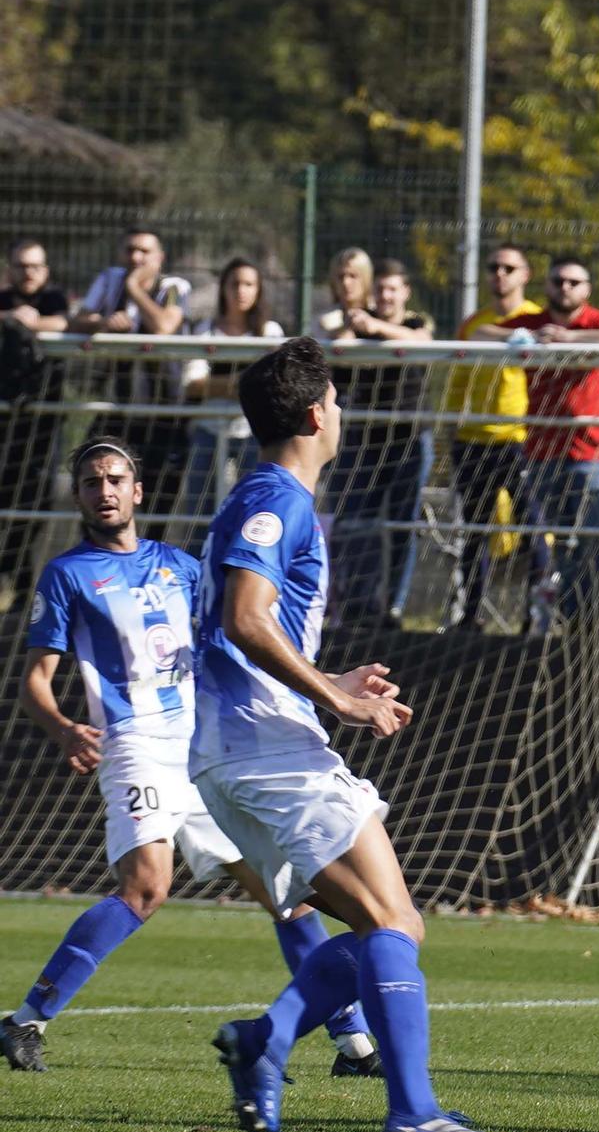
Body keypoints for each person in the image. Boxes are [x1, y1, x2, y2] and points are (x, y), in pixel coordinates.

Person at [196, 338, 522, 1132]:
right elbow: (243, 614)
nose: (340, 414)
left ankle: (267, 1039)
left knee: (395, 923)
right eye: (335, 402)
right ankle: (412, 1112)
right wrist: (330, 695)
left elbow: (248, 626)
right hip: (263, 745)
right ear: (315, 413)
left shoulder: (266, 494)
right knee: (388, 922)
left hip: (249, 745)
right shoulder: (280, 498)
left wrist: (327, 678)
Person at [1, 437, 377, 1079]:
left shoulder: (178, 565)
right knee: (147, 886)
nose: (105, 491)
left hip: (205, 746)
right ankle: (25, 1021)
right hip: (135, 745)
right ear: (81, 495)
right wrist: (66, 728)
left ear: (138, 490)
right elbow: (36, 679)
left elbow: (243, 643)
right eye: (91, 482)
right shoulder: (68, 575)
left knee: (290, 895)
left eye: (116, 478)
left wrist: (330, 682)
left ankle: (355, 1048)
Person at [476, 254, 599, 631]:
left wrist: (573, 339)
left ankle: (589, 623)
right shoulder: (534, 323)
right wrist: (529, 339)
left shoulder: (596, 322)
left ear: (587, 289)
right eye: (558, 281)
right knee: (556, 540)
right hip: (544, 450)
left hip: (593, 452)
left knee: (590, 540)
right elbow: (481, 333)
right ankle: (558, 618)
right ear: (545, 285)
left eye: (574, 282)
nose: (565, 288)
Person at [322, 257, 436, 628]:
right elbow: (336, 356)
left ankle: (394, 605)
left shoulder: (415, 322)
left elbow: (423, 342)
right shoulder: (359, 322)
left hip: (409, 437)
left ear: (405, 292)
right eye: (381, 289)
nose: (386, 296)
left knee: (402, 523)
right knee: (358, 520)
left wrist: (377, 327)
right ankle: (358, 602)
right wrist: (350, 332)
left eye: (393, 289)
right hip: (364, 438)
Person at [441, 244, 539, 631]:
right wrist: (449, 426)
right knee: (476, 530)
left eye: (509, 268)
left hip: (518, 440)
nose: (500, 274)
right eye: (493, 267)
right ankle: (470, 613)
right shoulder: (474, 323)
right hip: (473, 439)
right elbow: (458, 378)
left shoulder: (534, 319)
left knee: (532, 526)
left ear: (524, 275)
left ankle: (535, 612)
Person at [68, 228, 191, 513]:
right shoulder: (109, 279)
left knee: (159, 496)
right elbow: (79, 320)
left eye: (144, 251)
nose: (136, 257)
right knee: (101, 484)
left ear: (160, 257)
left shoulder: (173, 286)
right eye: (130, 250)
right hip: (117, 408)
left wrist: (134, 288)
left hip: (164, 411)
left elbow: (164, 327)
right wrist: (103, 324)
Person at [183, 258, 285, 521]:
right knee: (198, 514)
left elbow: (274, 387)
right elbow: (193, 385)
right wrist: (246, 383)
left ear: (258, 290)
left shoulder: (270, 332)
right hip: (209, 430)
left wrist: (219, 386)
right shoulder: (206, 330)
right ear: (223, 289)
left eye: (249, 284)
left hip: (254, 433)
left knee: (254, 511)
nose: (241, 290)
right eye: (235, 284)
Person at [0, 239, 68, 610]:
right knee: (7, 500)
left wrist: (32, 321)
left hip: (44, 422)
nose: (29, 272)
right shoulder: (5, 299)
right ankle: (18, 585)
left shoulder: (53, 298)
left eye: (35, 266)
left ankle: (20, 581)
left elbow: (63, 321)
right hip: (6, 421)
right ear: (11, 268)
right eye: (22, 265)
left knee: (38, 499)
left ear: (46, 270)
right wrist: (11, 319)